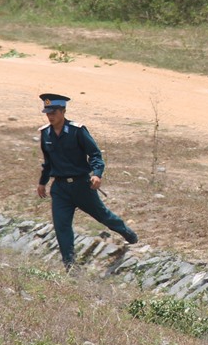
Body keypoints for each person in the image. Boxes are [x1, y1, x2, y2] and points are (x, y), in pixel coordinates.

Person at [36, 93, 138, 270]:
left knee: (104, 216)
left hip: (82, 185)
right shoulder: (46, 133)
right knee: (61, 226)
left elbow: (95, 155)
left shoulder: (77, 130)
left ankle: (128, 234)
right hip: (60, 188)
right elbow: (48, 162)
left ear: (63, 111)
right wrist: (42, 182)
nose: (50, 116)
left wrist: (97, 174)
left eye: (53, 112)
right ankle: (69, 264)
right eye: (47, 113)